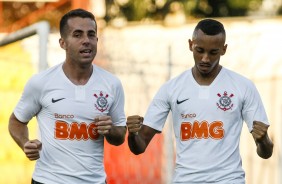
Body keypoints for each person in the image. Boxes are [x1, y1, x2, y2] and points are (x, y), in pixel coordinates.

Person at [126, 18, 274, 184]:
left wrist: (263, 140)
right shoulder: (172, 88)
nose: (205, 58)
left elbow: (266, 152)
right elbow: (139, 147)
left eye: (213, 52)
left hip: (229, 180)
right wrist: (132, 134)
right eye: (200, 50)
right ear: (190, 45)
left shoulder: (243, 86)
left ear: (224, 50)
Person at [8, 8, 126, 184]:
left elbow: (120, 136)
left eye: (91, 34)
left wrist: (111, 130)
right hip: (48, 181)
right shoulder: (41, 82)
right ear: (63, 43)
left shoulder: (112, 84)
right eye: (77, 35)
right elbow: (16, 122)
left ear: (97, 40)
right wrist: (25, 143)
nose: (86, 40)